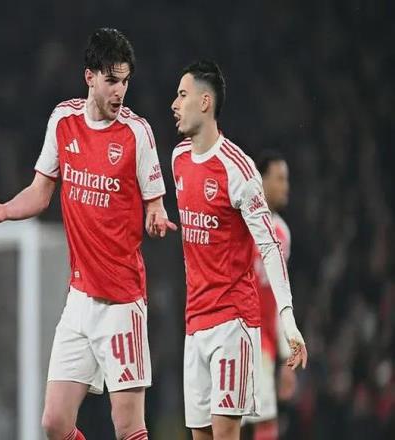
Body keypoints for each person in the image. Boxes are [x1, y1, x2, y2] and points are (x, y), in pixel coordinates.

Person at [0, 28, 176, 440]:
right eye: (112, 80)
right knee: (54, 423)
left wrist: (155, 216)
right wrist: (4, 211)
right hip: (79, 301)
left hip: (122, 302)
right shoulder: (63, 121)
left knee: (128, 427)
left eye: (125, 81)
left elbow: (155, 203)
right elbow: (40, 191)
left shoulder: (137, 133)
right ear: (89, 77)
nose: (120, 91)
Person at [170, 60, 307, 440]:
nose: (174, 105)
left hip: (233, 323)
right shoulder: (178, 159)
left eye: (182, 95)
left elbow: (270, 247)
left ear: (205, 102)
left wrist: (288, 320)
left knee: (227, 433)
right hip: (194, 323)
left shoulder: (239, 170)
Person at [242, 151, 297, 440]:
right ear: (261, 181)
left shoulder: (282, 233)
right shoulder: (242, 223)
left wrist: (287, 356)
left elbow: (279, 297)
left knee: (265, 423)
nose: (285, 186)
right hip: (232, 333)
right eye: (279, 179)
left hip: (262, 342)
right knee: (224, 425)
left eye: (286, 179)